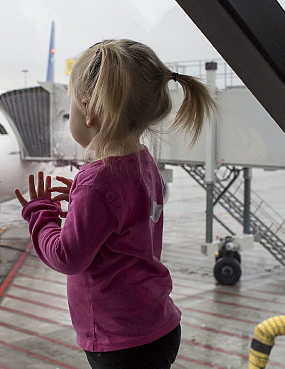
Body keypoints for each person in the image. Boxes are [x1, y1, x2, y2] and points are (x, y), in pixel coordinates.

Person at [15, 39, 216, 369]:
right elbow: (127, 218)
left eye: (71, 110)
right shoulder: (142, 161)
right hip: (159, 327)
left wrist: (40, 213)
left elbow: (67, 257)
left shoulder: (97, 182)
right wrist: (84, 203)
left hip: (120, 343)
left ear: (90, 113)